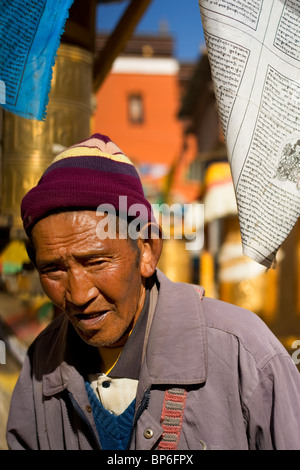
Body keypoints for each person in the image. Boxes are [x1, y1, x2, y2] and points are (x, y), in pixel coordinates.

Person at [6, 133, 300, 450]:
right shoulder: (42, 363)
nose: (78, 295)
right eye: (53, 270)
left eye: (96, 261)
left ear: (146, 250)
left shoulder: (244, 354)